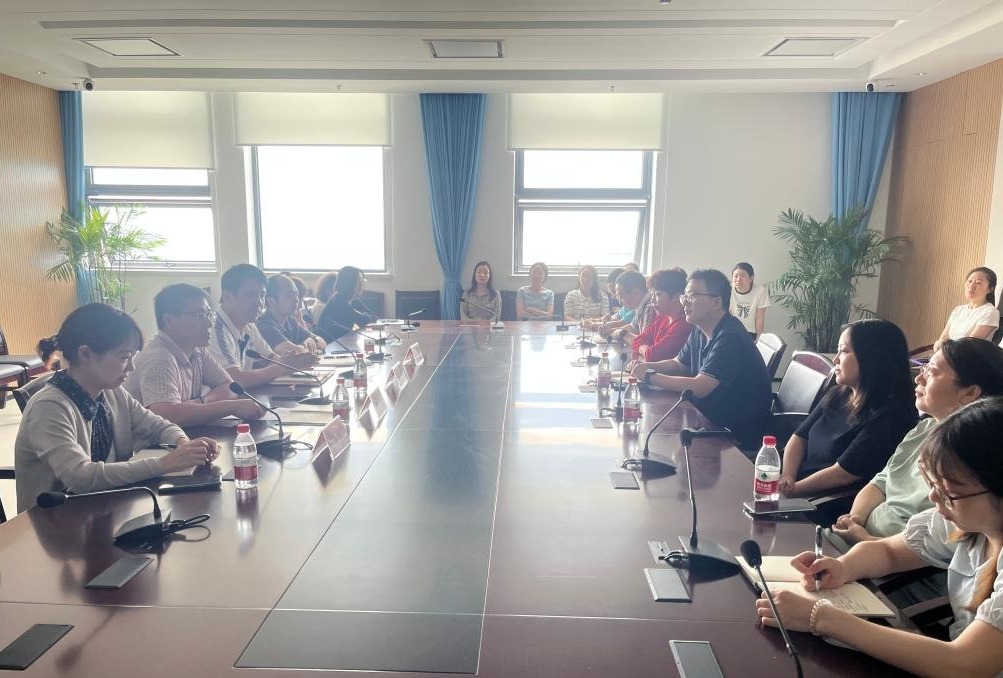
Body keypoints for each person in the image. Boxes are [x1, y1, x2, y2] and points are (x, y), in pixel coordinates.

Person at [758, 397, 1003, 677]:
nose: (934, 498)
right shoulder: (964, 522)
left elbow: (964, 664)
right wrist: (844, 566)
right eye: (933, 485)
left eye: (949, 492)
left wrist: (820, 617)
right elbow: (890, 552)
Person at [14, 303, 217, 512]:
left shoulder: (111, 392)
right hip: (55, 522)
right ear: (85, 354)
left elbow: (158, 426)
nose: (131, 367)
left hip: (103, 509)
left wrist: (185, 446)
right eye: (124, 357)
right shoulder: (49, 407)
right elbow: (80, 477)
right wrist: (165, 463)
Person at [832, 338, 1003, 544]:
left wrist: (864, 540)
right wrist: (855, 520)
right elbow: (880, 482)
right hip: (855, 540)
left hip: (892, 558)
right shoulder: (924, 428)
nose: (919, 379)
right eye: (924, 369)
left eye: (932, 372)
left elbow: (942, 543)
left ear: (969, 392)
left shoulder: (974, 461)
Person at [630, 269, 771, 448]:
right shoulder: (700, 329)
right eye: (685, 295)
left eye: (692, 295)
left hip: (733, 435)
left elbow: (700, 387)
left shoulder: (730, 337)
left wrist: (650, 376)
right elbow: (678, 364)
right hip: (706, 420)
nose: (685, 301)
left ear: (716, 302)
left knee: (657, 441)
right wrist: (646, 366)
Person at [778, 319, 917, 498]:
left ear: (871, 358)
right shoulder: (839, 394)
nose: (835, 359)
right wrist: (787, 476)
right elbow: (799, 437)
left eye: (843, 351)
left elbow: (842, 474)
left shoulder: (890, 416)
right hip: (795, 487)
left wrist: (791, 491)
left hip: (822, 501)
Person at [126, 283, 265, 427]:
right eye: (200, 316)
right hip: (146, 441)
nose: (209, 323)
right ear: (169, 320)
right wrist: (230, 407)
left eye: (209, 314)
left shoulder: (197, 349)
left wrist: (201, 401)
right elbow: (168, 416)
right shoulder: (159, 357)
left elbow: (230, 387)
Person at [209, 263, 318, 388]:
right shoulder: (214, 330)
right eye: (251, 295)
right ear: (227, 296)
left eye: (262, 295)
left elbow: (270, 359)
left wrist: (291, 362)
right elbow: (234, 380)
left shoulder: (249, 325)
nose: (259, 302)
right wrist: (282, 367)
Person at [627, 268, 692, 362]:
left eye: (658, 295)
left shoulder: (684, 324)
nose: (652, 300)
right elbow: (637, 341)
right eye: (652, 295)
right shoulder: (662, 316)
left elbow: (652, 356)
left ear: (677, 297)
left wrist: (642, 353)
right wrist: (644, 354)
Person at [933, 267, 999, 352]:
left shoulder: (991, 312)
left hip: (967, 358)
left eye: (978, 283)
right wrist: (939, 344)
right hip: (946, 355)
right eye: (970, 281)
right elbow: (943, 339)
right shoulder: (958, 309)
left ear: (990, 289)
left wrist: (943, 349)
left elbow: (967, 346)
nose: (971, 286)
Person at [257, 274, 325, 353]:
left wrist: (310, 340)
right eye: (290, 296)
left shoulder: (290, 321)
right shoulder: (265, 326)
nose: (296, 299)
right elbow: (297, 353)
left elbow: (322, 342)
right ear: (271, 301)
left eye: (296, 294)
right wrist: (309, 347)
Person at [316, 266, 375, 341]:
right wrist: (363, 315)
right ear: (348, 283)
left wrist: (363, 315)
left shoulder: (353, 299)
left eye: (362, 280)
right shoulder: (338, 301)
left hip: (343, 341)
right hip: (330, 344)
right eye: (358, 281)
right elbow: (364, 321)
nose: (362, 284)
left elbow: (372, 317)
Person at [729, 262, 770, 339]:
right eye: (735, 276)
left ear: (751, 278)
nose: (738, 279)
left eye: (743, 276)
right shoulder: (728, 290)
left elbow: (759, 316)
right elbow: (727, 314)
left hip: (751, 333)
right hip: (732, 332)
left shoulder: (760, 291)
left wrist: (759, 338)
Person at [598, 270, 646, 336]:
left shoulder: (649, 308)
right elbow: (632, 327)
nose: (620, 302)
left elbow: (644, 340)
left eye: (622, 297)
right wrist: (611, 331)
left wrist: (622, 334)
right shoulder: (640, 308)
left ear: (636, 293)